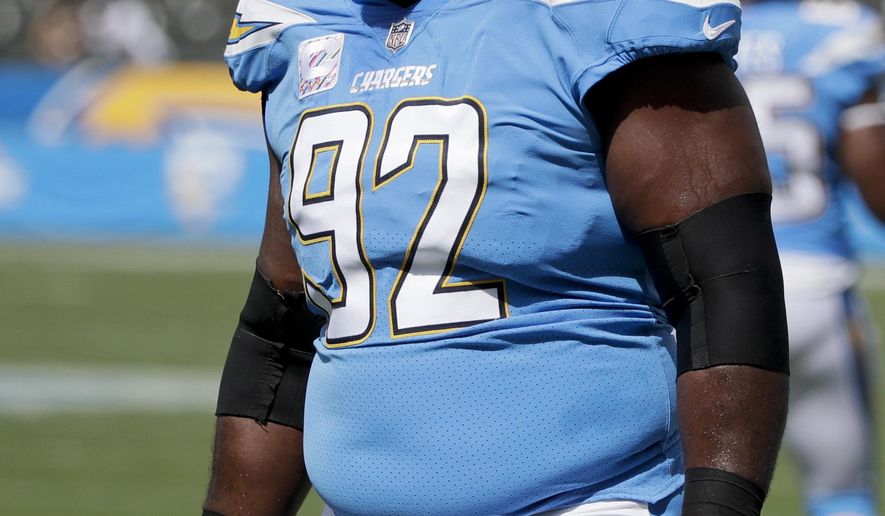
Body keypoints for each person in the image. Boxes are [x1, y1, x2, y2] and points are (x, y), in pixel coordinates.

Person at [204, 0, 790, 514]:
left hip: (592, 499)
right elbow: (280, 331)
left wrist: (721, 505)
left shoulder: (586, 17)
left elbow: (726, 286)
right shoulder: (302, 27)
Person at [736, 1, 885, 515]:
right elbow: (878, 192)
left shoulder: (695, 26)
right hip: (817, 288)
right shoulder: (838, 33)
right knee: (842, 489)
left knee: (695, 489)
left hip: (710, 292)